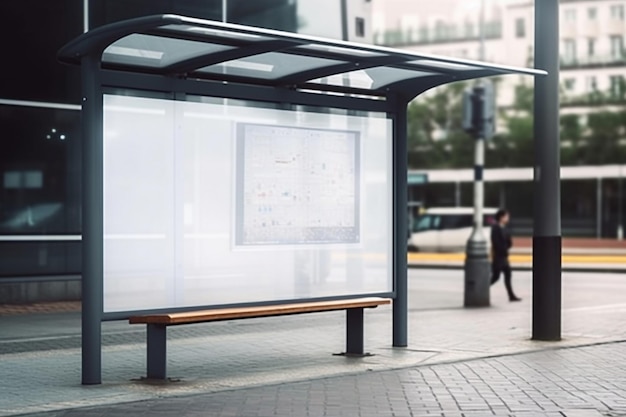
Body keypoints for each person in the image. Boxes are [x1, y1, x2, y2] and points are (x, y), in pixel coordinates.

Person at [490, 208, 521, 302]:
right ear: (501, 217)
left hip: (504, 257)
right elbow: (496, 242)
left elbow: (509, 241)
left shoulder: (504, 228)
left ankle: (511, 296)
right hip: (498, 257)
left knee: (507, 275)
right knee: (496, 277)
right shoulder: (495, 228)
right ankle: (481, 290)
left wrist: (507, 246)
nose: (508, 218)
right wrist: (502, 248)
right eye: (506, 216)